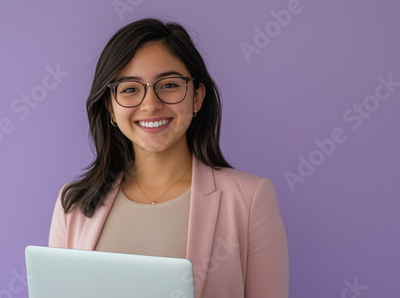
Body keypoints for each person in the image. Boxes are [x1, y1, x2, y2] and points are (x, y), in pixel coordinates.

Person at [49, 18, 289, 298]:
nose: (151, 104)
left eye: (169, 85)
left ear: (197, 97)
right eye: (129, 89)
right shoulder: (73, 205)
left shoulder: (250, 199)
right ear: (111, 109)